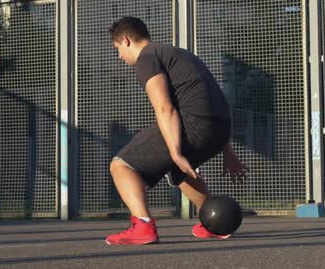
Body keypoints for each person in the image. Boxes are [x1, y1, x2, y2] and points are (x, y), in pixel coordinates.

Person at [105, 17, 248, 245]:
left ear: (125, 40)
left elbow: (164, 107)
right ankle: (215, 222)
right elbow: (209, 99)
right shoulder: (179, 53)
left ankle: (142, 226)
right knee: (179, 172)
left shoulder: (148, 57)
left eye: (118, 49)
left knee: (121, 165)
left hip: (195, 125)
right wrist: (226, 150)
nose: (120, 56)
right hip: (220, 128)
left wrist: (175, 152)